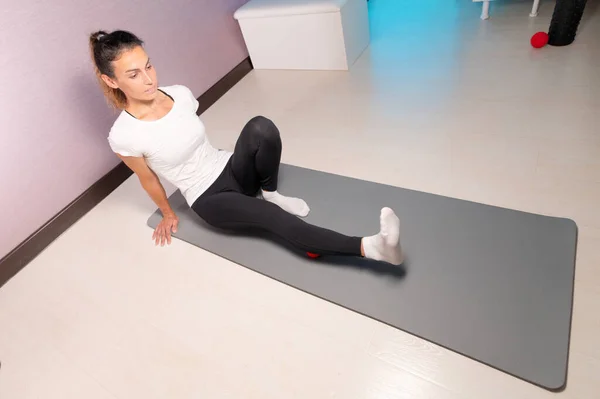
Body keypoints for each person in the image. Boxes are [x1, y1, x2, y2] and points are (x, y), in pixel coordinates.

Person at [89, 29, 404, 266]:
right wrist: (168, 213)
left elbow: (188, 137)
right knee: (272, 219)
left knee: (261, 127)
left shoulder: (179, 94)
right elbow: (148, 179)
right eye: (134, 74)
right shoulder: (125, 135)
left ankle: (271, 191)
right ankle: (373, 247)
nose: (148, 79)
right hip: (209, 197)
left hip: (229, 168)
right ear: (112, 81)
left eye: (148, 66)